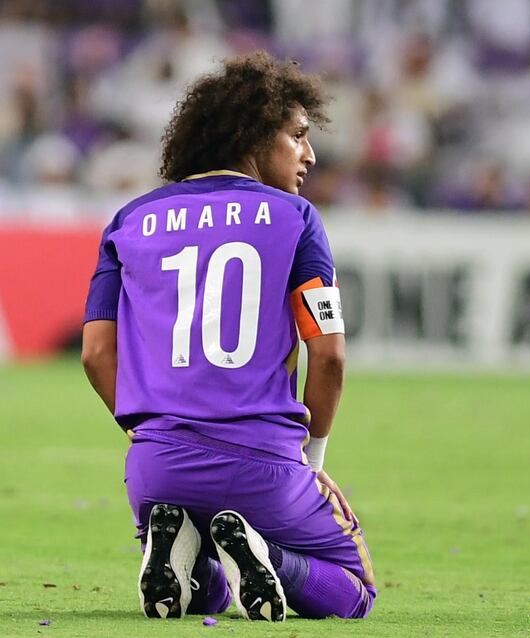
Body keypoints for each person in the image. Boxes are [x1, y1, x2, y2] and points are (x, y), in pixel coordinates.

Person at [80, 51, 375, 622]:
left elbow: (95, 353)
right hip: (263, 463)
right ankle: (270, 558)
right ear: (251, 136)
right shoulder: (296, 219)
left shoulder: (128, 219)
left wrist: (155, 435)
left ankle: (189, 563)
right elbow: (330, 356)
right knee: (355, 587)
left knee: (201, 580)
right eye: (297, 135)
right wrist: (310, 459)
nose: (309, 154)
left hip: (155, 465)